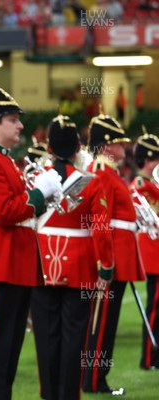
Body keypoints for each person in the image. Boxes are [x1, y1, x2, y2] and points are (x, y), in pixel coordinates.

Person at [0, 80, 62, 399]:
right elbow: (6, 211)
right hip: (1, 264)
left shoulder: (5, 159)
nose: (20, 125)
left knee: (9, 349)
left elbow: (18, 209)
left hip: (16, 264)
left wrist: (41, 196)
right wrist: (40, 193)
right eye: (13, 119)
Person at [32, 114, 114, 400]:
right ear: (78, 146)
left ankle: (49, 393)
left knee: (45, 337)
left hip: (42, 266)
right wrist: (106, 268)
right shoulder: (91, 181)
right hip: (80, 268)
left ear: (49, 148)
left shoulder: (36, 177)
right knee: (75, 338)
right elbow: (101, 229)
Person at [82, 108, 146, 395]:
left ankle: (98, 377)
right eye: (119, 142)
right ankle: (94, 379)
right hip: (112, 256)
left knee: (108, 323)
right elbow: (100, 220)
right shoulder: (102, 172)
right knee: (102, 323)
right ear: (107, 145)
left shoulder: (112, 172)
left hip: (120, 252)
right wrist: (103, 263)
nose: (124, 147)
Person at [129, 129, 159, 370]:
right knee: (155, 309)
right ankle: (149, 359)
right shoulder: (142, 185)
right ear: (149, 161)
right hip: (154, 254)